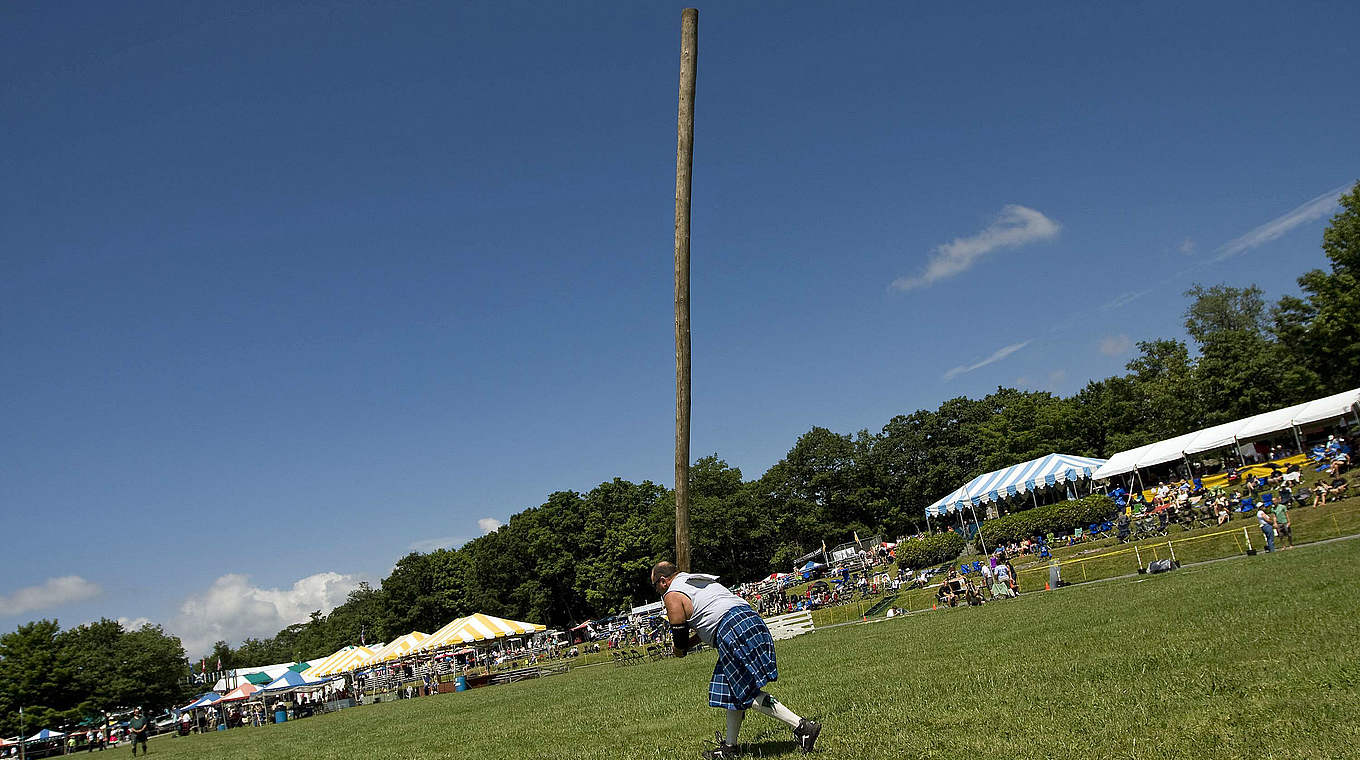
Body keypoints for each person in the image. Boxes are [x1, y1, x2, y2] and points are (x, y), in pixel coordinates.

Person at [651, 561, 820, 758]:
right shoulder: (696, 580)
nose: (656, 590)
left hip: (732, 629)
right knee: (731, 690)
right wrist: (689, 643)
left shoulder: (672, 594)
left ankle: (802, 727)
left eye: (654, 585)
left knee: (743, 693)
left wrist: (680, 649)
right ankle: (730, 748)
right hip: (749, 620)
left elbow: (679, 637)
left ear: (663, 581)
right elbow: (710, 621)